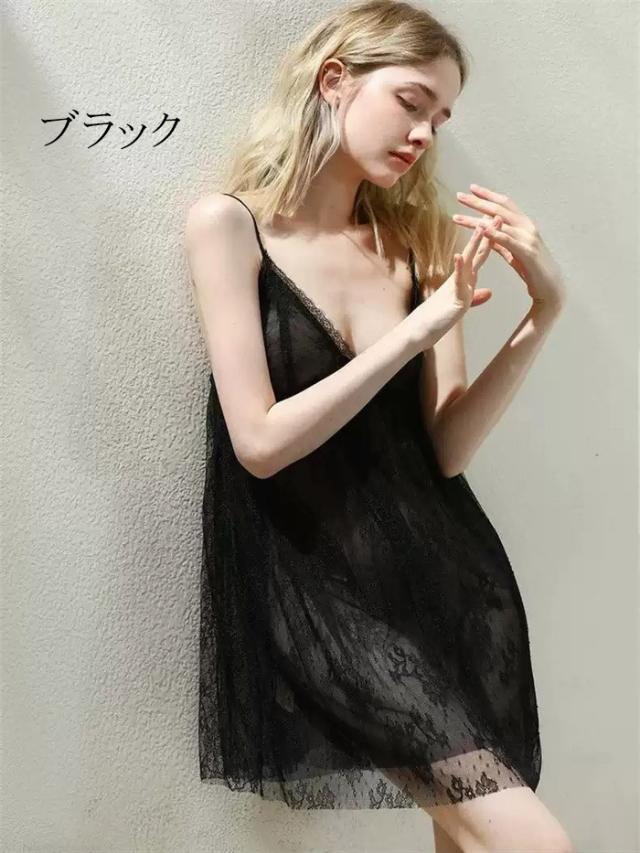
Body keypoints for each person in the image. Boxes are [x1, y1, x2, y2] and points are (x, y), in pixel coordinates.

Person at [184, 1, 570, 850]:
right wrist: (417, 331)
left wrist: (543, 312)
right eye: (411, 101)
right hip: (321, 595)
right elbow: (259, 443)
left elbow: (448, 450)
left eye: (441, 118)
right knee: (535, 843)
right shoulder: (230, 226)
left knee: (470, 841)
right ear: (335, 81)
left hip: (451, 583)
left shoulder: (419, 245)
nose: (425, 133)